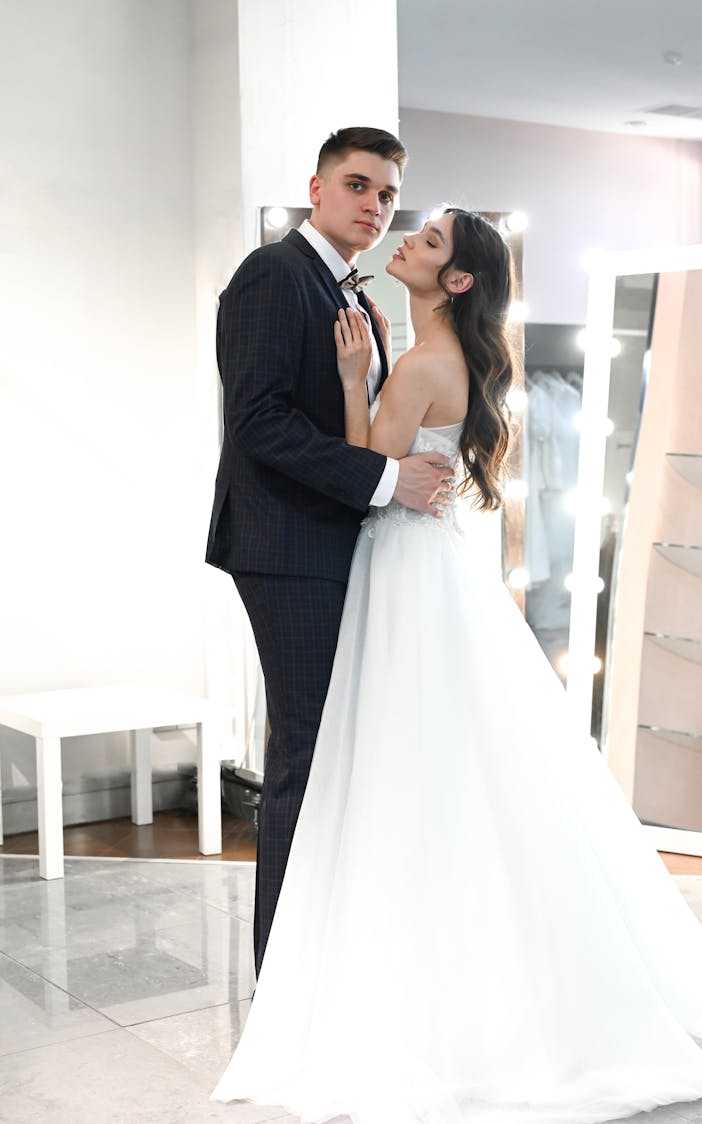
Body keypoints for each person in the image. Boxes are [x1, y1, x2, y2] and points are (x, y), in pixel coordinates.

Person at [212, 209, 702, 1122]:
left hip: (401, 568)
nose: (408, 239)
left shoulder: (423, 362)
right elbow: (390, 462)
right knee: (450, 764)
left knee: (392, 766)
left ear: (455, 281)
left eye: (427, 241)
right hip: (431, 565)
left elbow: (364, 462)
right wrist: (365, 371)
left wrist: (352, 375)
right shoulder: (438, 356)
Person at [206, 127, 454, 976]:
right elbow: (259, 420)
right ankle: (283, 977)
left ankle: (327, 962)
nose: (375, 207)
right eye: (358, 186)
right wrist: (386, 485)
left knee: (338, 752)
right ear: (315, 189)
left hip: (332, 540)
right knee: (308, 757)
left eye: (387, 196)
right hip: (287, 543)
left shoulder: (344, 290)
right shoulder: (274, 276)